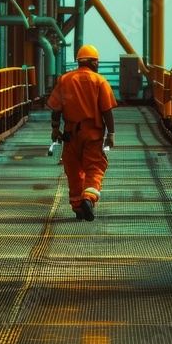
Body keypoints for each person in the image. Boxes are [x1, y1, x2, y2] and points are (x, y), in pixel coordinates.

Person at [47, 45, 117, 221]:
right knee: (95, 167)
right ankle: (89, 198)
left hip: (70, 133)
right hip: (92, 133)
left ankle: (78, 208)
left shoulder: (65, 80)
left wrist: (55, 127)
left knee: (74, 170)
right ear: (94, 62)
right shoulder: (99, 81)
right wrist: (111, 134)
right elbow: (107, 110)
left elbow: (56, 107)